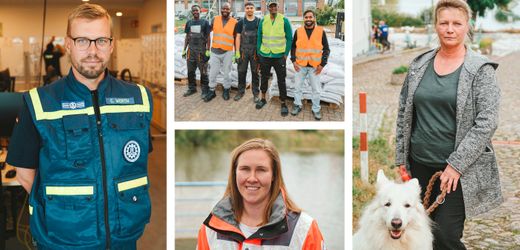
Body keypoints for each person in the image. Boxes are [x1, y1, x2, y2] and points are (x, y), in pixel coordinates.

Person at [6, 3, 153, 249]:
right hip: (63, 240)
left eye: (101, 41)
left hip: (124, 237)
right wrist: (68, 212)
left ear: (111, 44)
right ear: (69, 44)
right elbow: (24, 175)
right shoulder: (39, 103)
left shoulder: (138, 99)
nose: (93, 50)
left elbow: (133, 165)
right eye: (83, 40)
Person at [395, 0, 502, 249]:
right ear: (436, 26)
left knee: (446, 236)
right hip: (419, 166)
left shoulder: (481, 70)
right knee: (422, 235)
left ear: (468, 26)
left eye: (457, 23)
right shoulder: (419, 65)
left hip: (456, 173)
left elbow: (487, 122)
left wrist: (456, 166)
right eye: (444, 23)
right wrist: (401, 158)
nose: (450, 29)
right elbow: (403, 113)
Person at [196, 138, 325, 249]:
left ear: (274, 175)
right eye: (245, 169)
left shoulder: (304, 229)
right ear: (234, 173)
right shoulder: (211, 228)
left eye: (261, 170)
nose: (252, 178)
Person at [290, 9, 330, 121]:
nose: (308, 19)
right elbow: (293, 47)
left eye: (310, 17)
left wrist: (322, 64)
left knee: (316, 89)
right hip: (300, 65)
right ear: (304, 19)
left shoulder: (321, 31)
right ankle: (297, 105)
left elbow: (326, 49)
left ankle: (316, 109)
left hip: (314, 66)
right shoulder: (298, 31)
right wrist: (293, 61)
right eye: (306, 17)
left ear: (314, 18)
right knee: (297, 87)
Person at [256, 0, 292, 116]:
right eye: (271, 6)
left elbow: (289, 38)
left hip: (279, 56)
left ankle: (283, 103)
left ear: (277, 7)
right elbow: (259, 37)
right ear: (268, 8)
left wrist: (286, 54)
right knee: (264, 78)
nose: (273, 8)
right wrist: (259, 52)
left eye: (274, 6)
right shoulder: (263, 20)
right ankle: (263, 99)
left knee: (281, 80)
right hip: (265, 55)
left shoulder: (284, 20)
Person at [205, 2, 237, 102]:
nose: (225, 10)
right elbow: (207, 34)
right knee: (212, 73)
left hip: (227, 52)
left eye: (227, 9)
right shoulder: (215, 19)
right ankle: (211, 90)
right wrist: (207, 49)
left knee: (227, 73)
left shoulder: (234, 22)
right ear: (221, 9)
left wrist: (236, 52)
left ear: (230, 10)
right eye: (223, 8)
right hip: (215, 51)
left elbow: (236, 38)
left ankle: (226, 89)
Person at [182, 5, 211, 99]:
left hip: (201, 51)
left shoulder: (205, 22)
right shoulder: (189, 23)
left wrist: (208, 50)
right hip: (191, 51)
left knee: (203, 72)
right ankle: (192, 88)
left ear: (200, 11)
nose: (195, 12)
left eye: (197, 10)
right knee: (190, 71)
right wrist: (184, 49)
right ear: (192, 12)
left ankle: (205, 89)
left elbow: (208, 37)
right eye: (193, 11)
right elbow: (187, 37)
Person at [234, 2, 260, 102]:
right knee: (241, 72)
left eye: (251, 8)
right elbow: (238, 37)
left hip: (255, 52)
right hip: (243, 52)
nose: (249, 9)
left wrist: (260, 52)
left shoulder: (259, 22)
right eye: (247, 8)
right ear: (245, 9)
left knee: (255, 73)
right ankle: (240, 92)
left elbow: (261, 38)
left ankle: (256, 94)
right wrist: (237, 52)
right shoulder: (240, 22)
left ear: (254, 9)